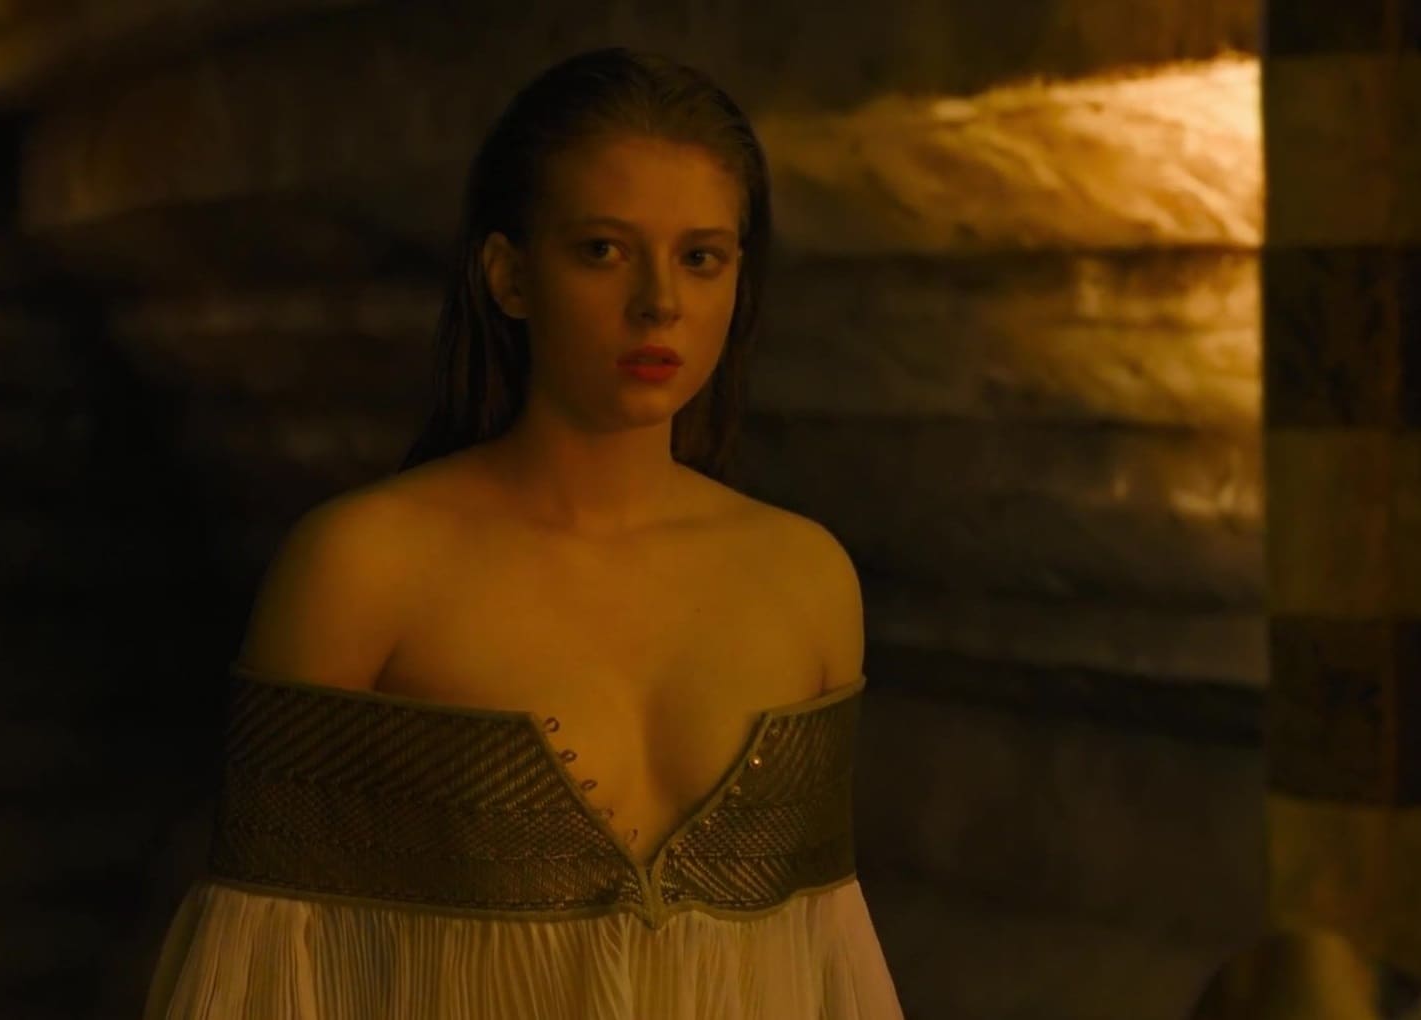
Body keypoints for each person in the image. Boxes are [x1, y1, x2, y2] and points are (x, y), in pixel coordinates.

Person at [139, 45, 905, 1019]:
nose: (659, 302)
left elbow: (825, 961)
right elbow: (263, 969)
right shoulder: (365, 566)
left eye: (699, 258)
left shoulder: (805, 579)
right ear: (509, 276)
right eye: (603, 250)